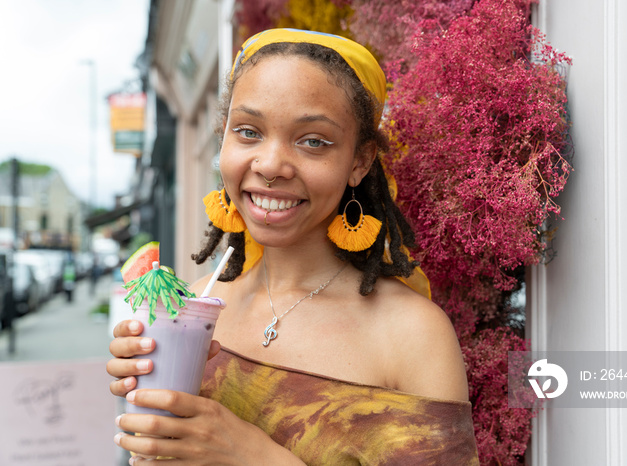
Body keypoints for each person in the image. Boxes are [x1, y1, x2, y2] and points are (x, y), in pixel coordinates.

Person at [107, 28, 479, 464]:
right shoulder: (196, 306)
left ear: (358, 161)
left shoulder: (414, 335)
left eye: (313, 141)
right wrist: (148, 420)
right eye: (247, 131)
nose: (270, 165)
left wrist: (254, 456)